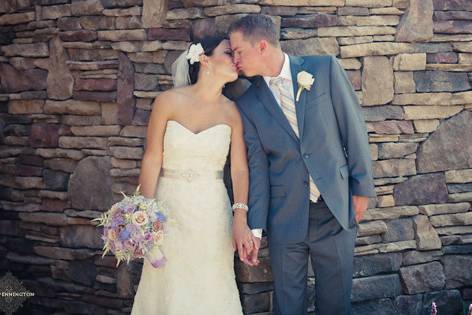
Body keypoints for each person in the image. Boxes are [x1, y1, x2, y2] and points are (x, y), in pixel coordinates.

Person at [229, 14, 376, 315]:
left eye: (237, 51)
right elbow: (258, 168)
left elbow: (354, 129)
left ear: (261, 46)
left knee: (335, 305)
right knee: (288, 306)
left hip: (334, 209)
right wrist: (255, 229)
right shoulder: (248, 104)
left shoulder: (323, 70)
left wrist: (361, 188)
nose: (234, 60)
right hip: (286, 218)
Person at [131, 33, 254, 315]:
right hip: (168, 208)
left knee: (210, 285)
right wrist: (144, 215)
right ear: (204, 59)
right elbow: (151, 158)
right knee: (168, 284)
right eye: (227, 53)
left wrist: (240, 216)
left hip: (212, 214)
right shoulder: (167, 102)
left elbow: (239, 169)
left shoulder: (233, 112)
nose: (235, 59)